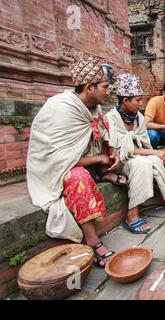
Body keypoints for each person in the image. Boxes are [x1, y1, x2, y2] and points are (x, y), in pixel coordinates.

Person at [27, 57, 118, 268]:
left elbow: (99, 136)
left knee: (112, 162)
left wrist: (109, 153)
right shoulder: (60, 108)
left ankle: (103, 172)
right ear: (89, 87)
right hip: (51, 170)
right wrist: (98, 158)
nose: (108, 92)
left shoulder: (94, 108)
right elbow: (59, 158)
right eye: (105, 87)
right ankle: (93, 241)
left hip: (79, 160)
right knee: (79, 176)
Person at [106, 73, 165, 234]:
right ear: (125, 101)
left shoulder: (139, 118)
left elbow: (144, 143)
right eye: (138, 100)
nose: (141, 103)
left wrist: (153, 154)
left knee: (154, 161)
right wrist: (153, 152)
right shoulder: (111, 118)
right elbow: (120, 150)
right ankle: (132, 215)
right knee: (143, 162)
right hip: (119, 162)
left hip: (137, 156)